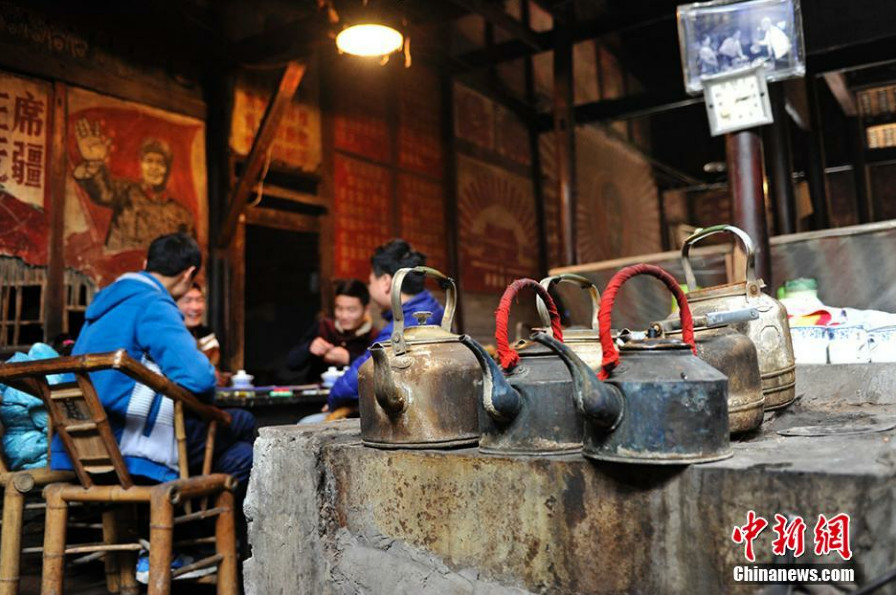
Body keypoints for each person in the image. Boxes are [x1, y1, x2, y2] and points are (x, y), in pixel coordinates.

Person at [49, 233, 255, 570]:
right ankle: (170, 548)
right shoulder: (153, 304)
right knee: (244, 433)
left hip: (81, 444)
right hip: (127, 445)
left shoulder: (102, 308)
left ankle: (163, 544)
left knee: (238, 450)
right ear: (189, 274)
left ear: (146, 265)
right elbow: (200, 379)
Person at [326, 239, 445, 413]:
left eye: (370, 281)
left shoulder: (405, 323)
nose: (370, 286)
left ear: (386, 281)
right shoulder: (433, 308)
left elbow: (360, 377)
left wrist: (333, 399)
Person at [72, 118, 194, 251]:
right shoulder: (125, 191)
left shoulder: (181, 215)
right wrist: (94, 162)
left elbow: (189, 256)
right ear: (141, 165)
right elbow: (103, 194)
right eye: (149, 161)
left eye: (160, 163)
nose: (154, 167)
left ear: (167, 169)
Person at [286, 279, 378, 383]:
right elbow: (291, 363)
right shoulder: (324, 327)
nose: (344, 316)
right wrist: (309, 347)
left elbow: (378, 373)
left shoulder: (374, 336)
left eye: (351, 310)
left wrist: (349, 358)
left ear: (366, 309)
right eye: (339, 308)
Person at [177, 283, 228, 385]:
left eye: (199, 300)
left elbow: (212, 371)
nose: (195, 307)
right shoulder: (166, 336)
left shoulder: (206, 336)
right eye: (188, 301)